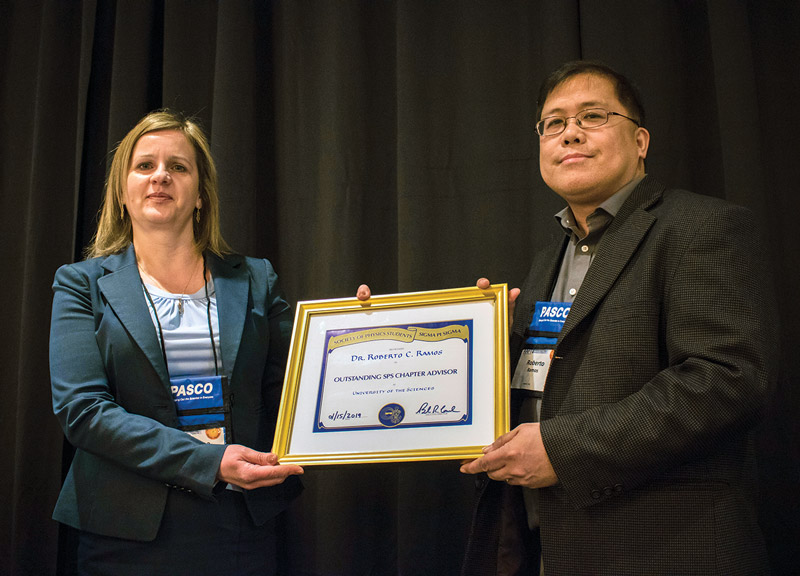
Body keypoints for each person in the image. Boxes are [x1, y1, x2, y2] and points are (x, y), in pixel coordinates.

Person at [361, 60, 778, 575]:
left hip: (665, 546)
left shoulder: (699, 226)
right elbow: (547, 382)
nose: (570, 133)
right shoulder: (549, 258)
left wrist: (561, 450)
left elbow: (726, 381)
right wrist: (414, 340)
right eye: (553, 123)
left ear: (641, 140)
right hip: (549, 547)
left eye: (593, 116)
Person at [49, 110, 304, 575]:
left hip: (241, 525)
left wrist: (352, 333)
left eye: (178, 167)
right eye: (144, 166)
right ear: (123, 192)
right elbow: (82, 411)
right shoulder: (80, 285)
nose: (160, 175)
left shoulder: (255, 278)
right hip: (123, 533)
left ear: (201, 195)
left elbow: (297, 391)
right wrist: (210, 461)